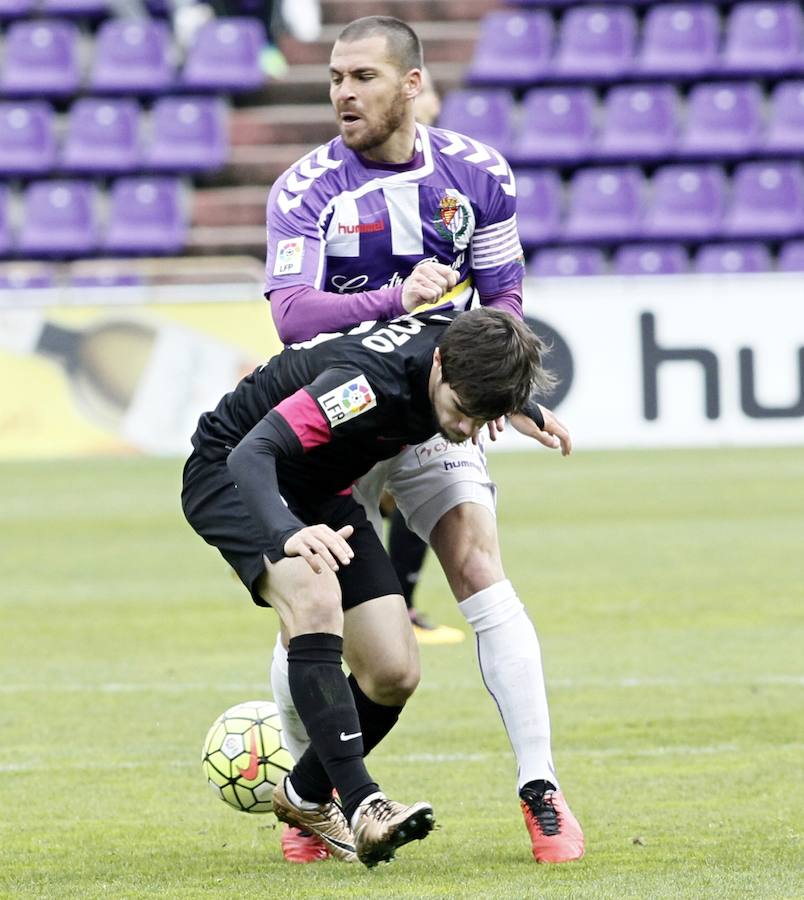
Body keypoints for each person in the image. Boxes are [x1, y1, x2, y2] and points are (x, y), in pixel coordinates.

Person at [263, 15, 585, 866]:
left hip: (437, 409)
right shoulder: (306, 188)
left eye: (362, 77)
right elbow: (291, 313)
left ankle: (541, 788)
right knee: (318, 616)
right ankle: (319, 801)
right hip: (334, 419)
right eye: (335, 77)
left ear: (411, 84)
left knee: (479, 564)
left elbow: (504, 295)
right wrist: (394, 299)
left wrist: (505, 391)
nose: (342, 93)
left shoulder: (477, 174)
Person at [182, 307, 560, 868]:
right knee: (313, 597)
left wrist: (517, 403)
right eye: (460, 411)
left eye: (482, 420)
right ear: (439, 367)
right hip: (235, 472)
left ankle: (304, 796)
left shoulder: (460, 356)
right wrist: (288, 533)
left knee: (392, 673)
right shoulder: (363, 387)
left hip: (317, 483)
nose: (463, 431)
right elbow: (251, 453)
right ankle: (364, 806)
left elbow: (456, 318)